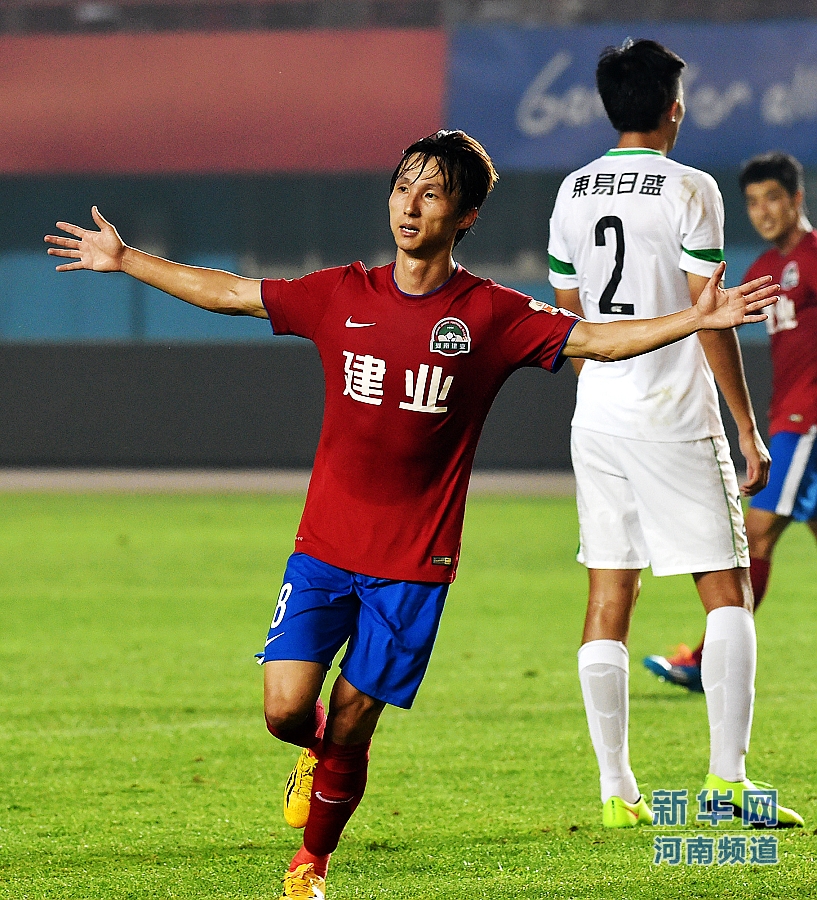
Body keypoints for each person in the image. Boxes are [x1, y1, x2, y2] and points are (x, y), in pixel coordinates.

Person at [47, 130, 780, 899]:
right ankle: (318, 756)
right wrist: (126, 260)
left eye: (431, 193)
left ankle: (310, 866)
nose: (409, 204)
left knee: (354, 721)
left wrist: (691, 321)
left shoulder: (489, 314)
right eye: (403, 187)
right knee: (287, 712)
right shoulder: (343, 293)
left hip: (413, 566)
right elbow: (232, 292)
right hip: (324, 549)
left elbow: (593, 338)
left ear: (464, 216)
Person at [547, 40, 803, 829]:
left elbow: (567, 318)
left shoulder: (571, 190)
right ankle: (727, 781)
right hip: (673, 416)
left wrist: (601, 387)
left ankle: (615, 791)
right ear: (673, 108)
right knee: (725, 590)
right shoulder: (689, 188)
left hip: (598, 416)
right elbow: (708, 315)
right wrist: (746, 426)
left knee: (607, 593)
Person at [644, 151, 817, 691]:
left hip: (807, 420)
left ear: (797, 198)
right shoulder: (765, 268)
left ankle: (706, 663)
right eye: (753, 202)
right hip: (790, 415)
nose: (763, 211)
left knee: (756, 534)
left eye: (773, 198)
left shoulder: (814, 257)